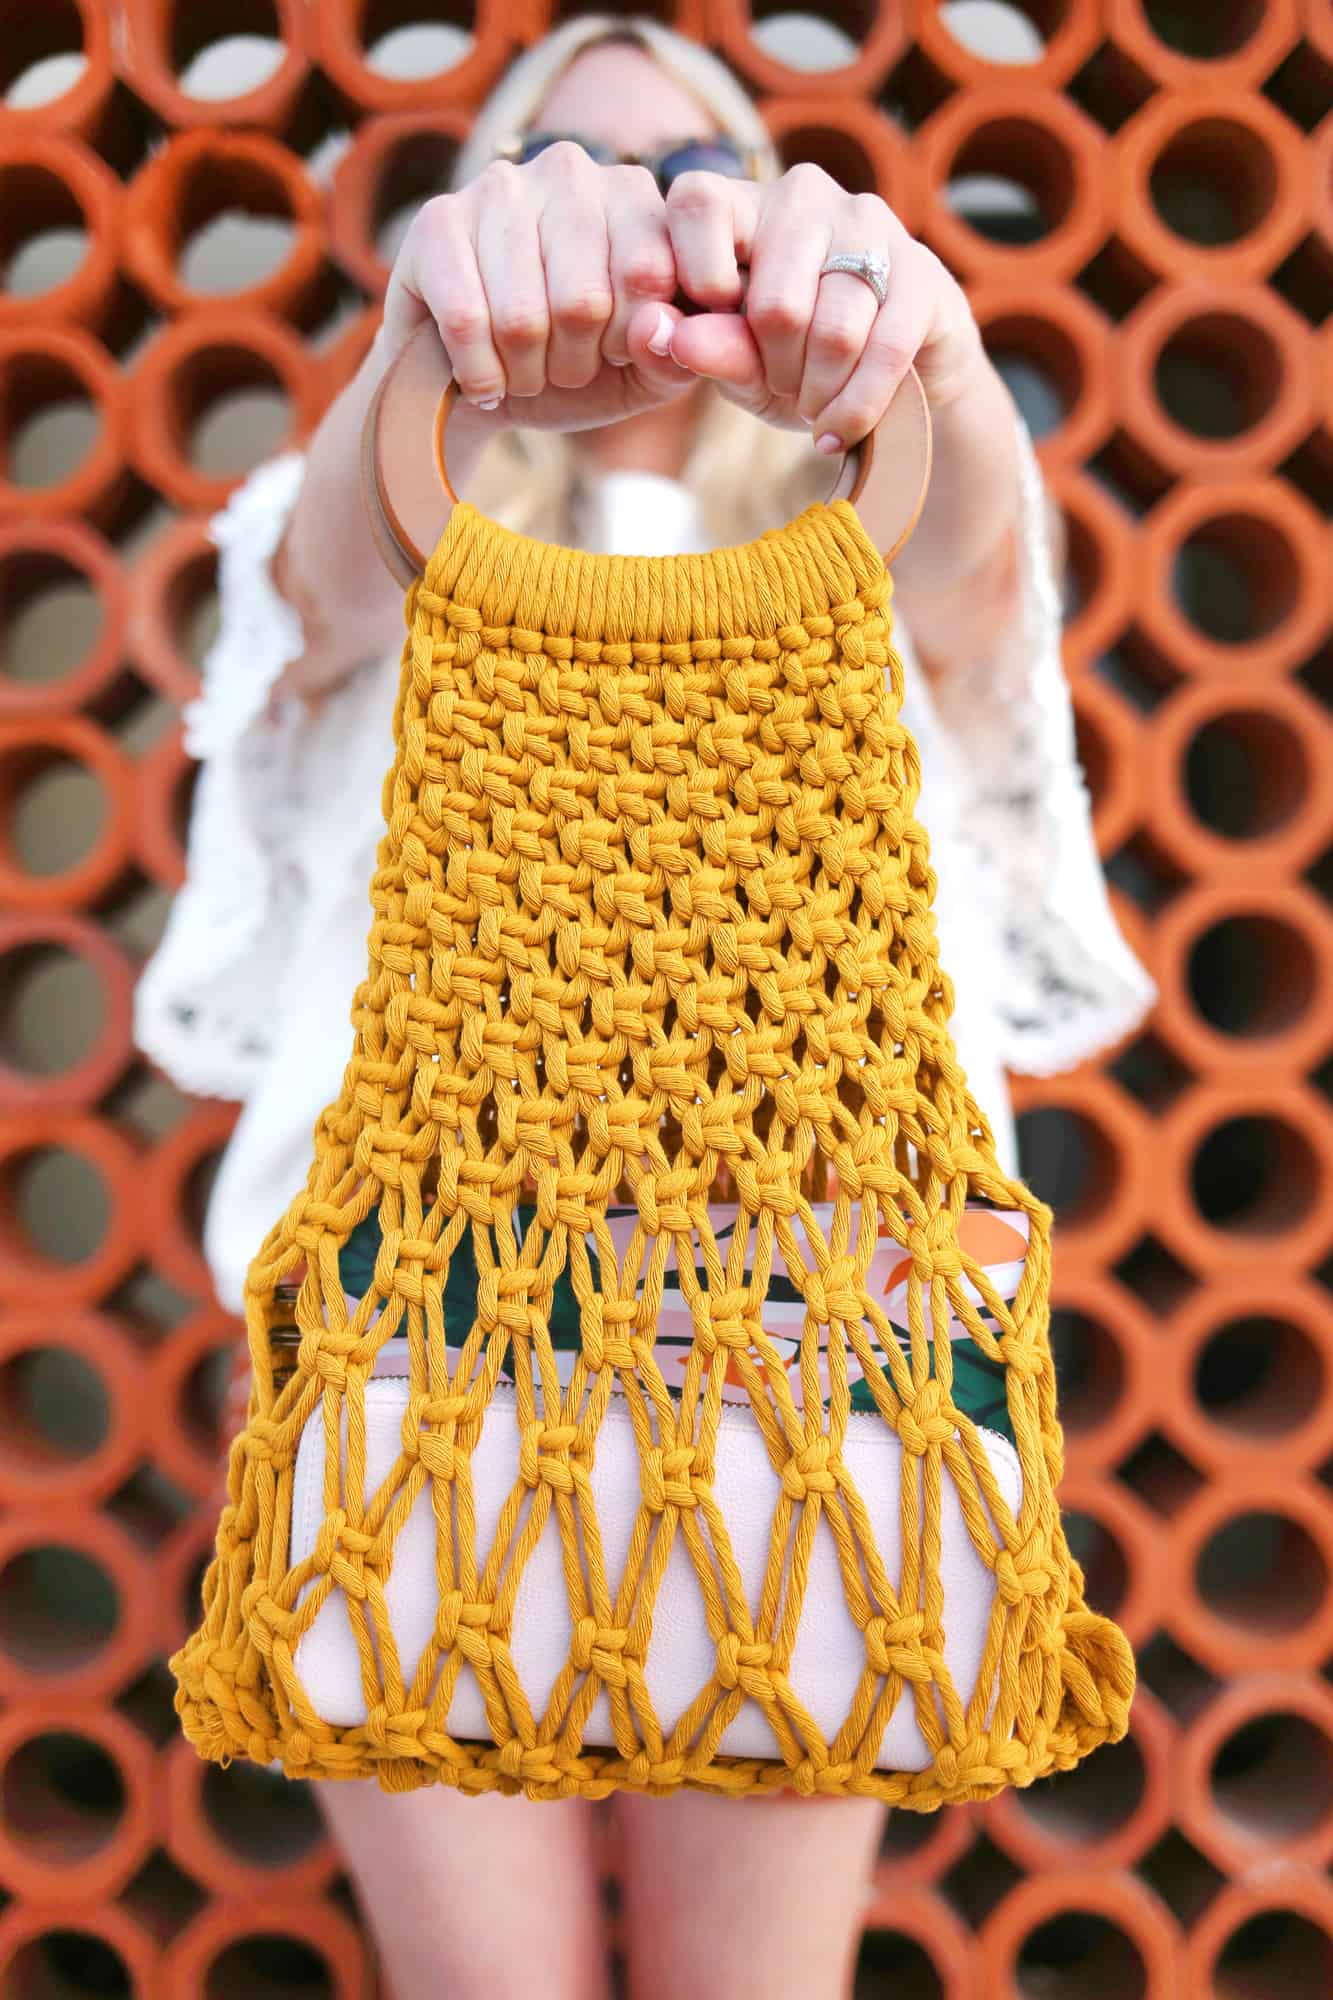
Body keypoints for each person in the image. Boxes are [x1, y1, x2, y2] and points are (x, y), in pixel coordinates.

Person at [134, 17, 1154, 1999]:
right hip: (415, 1335)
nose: (629, 224)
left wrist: (927, 376)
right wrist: (419, 373)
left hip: (811, 1321)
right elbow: (316, 603)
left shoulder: (864, 532)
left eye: (687, 176)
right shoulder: (387, 504)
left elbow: (977, 600)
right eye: (561, 176)